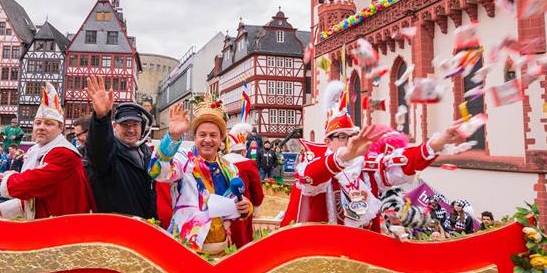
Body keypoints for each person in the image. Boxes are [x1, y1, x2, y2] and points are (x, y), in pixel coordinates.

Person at [280, 80, 467, 231]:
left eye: (351, 135)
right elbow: (310, 177)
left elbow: (403, 162)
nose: (348, 141)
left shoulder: (365, 166)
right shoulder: (312, 161)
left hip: (362, 256)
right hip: (320, 253)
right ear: (328, 141)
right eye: (341, 137)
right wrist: (343, 157)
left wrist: (439, 141)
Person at [149, 99, 252, 252]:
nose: (208, 140)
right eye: (202, 134)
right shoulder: (184, 160)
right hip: (187, 250)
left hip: (221, 249)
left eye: (213, 135)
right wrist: (173, 137)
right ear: (195, 137)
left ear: (221, 138)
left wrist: (244, 207)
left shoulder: (230, 169)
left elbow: (232, 205)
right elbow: (157, 173)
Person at [0, 84, 94, 219]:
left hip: (63, 229)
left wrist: (9, 178)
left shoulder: (63, 153)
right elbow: (37, 199)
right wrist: (1, 209)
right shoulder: (38, 149)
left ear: (61, 128)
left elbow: (34, 184)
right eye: (38, 123)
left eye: (48, 123)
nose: (41, 127)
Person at [84, 75, 157, 219]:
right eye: (125, 125)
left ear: (142, 127)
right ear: (115, 126)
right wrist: (101, 118)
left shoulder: (146, 151)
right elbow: (98, 148)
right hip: (118, 230)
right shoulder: (109, 153)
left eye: (135, 125)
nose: (130, 130)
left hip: (146, 226)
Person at [222, 121, 266, 249]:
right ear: (243, 150)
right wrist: (256, 207)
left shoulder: (220, 162)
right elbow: (257, 191)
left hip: (221, 211)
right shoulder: (248, 164)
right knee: (242, 243)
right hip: (242, 210)